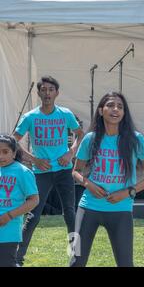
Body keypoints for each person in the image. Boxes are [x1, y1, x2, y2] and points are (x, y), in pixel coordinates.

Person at [70, 92, 144, 267]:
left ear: (124, 113)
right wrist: (88, 183)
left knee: (126, 263)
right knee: (75, 260)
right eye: (110, 105)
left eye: (120, 106)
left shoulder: (135, 139)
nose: (115, 109)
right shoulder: (90, 138)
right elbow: (76, 171)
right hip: (88, 207)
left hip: (121, 209)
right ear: (101, 110)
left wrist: (128, 192)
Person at [14, 75, 84, 266]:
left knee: (70, 213)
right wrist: (34, 159)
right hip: (40, 172)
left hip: (63, 170)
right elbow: (14, 141)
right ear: (38, 93)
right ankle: (17, 258)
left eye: (50, 90)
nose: (47, 93)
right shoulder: (30, 117)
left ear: (57, 93)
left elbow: (80, 134)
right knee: (33, 215)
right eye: (43, 90)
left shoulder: (66, 114)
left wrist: (71, 153)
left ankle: (75, 255)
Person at [0, 135, 39, 267]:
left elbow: (34, 200)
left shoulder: (23, 172)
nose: (1, 156)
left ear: (14, 152)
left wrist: (9, 216)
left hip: (8, 230)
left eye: (5, 152)